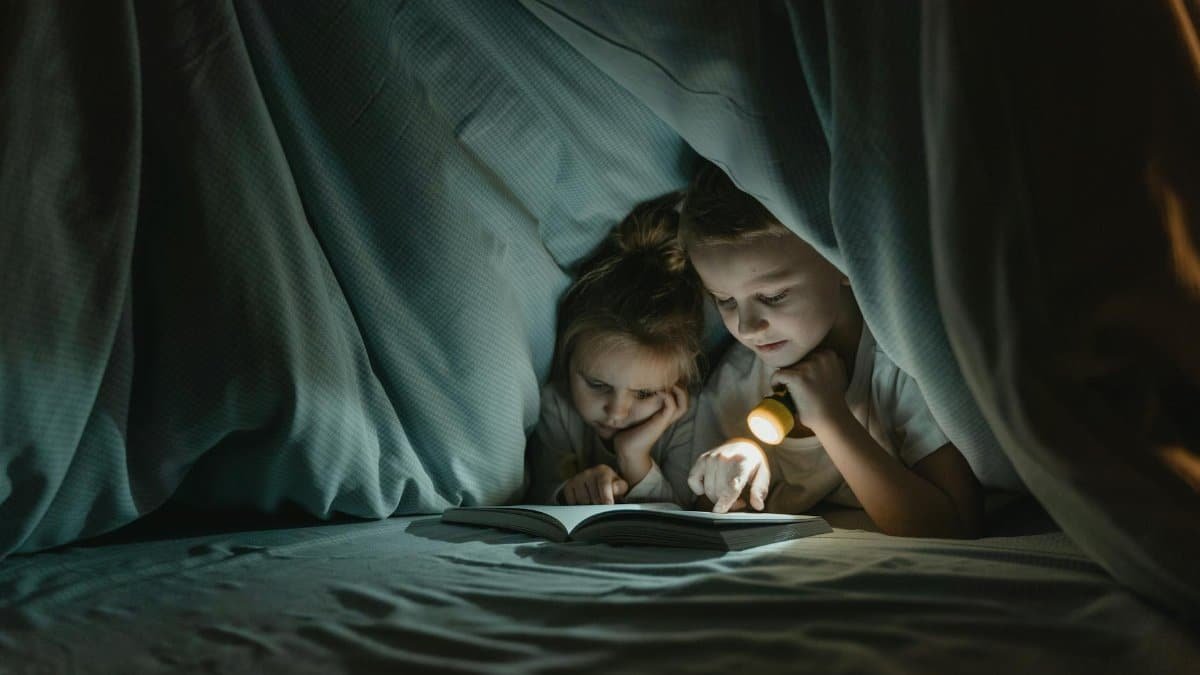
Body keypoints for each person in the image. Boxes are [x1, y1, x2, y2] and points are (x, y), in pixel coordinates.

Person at [681, 162, 984, 538]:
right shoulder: (735, 383)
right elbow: (705, 513)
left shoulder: (900, 363)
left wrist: (831, 419)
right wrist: (737, 471)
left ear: (844, 262)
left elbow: (954, 524)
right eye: (725, 301)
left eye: (773, 296)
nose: (746, 327)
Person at [526, 192, 705, 506]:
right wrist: (568, 493)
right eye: (597, 385)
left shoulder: (684, 420)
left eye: (645, 394)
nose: (617, 412)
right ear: (569, 360)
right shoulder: (558, 406)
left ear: (678, 385)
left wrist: (633, 457)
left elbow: (682, 519)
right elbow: (534, 492)